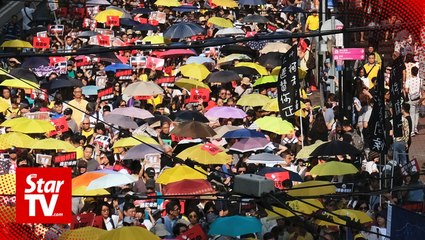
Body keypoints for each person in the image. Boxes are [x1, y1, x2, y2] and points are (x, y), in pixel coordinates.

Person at [404, 66, 422, 135]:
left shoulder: (408, 80)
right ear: (417, 72)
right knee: (417, 113)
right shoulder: (420, 80)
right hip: (418, 99)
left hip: (411, 99)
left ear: (411, 72)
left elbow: (406, 90)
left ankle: (411, 131)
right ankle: (415, 128)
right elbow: (421, 89)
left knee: (412, 114)